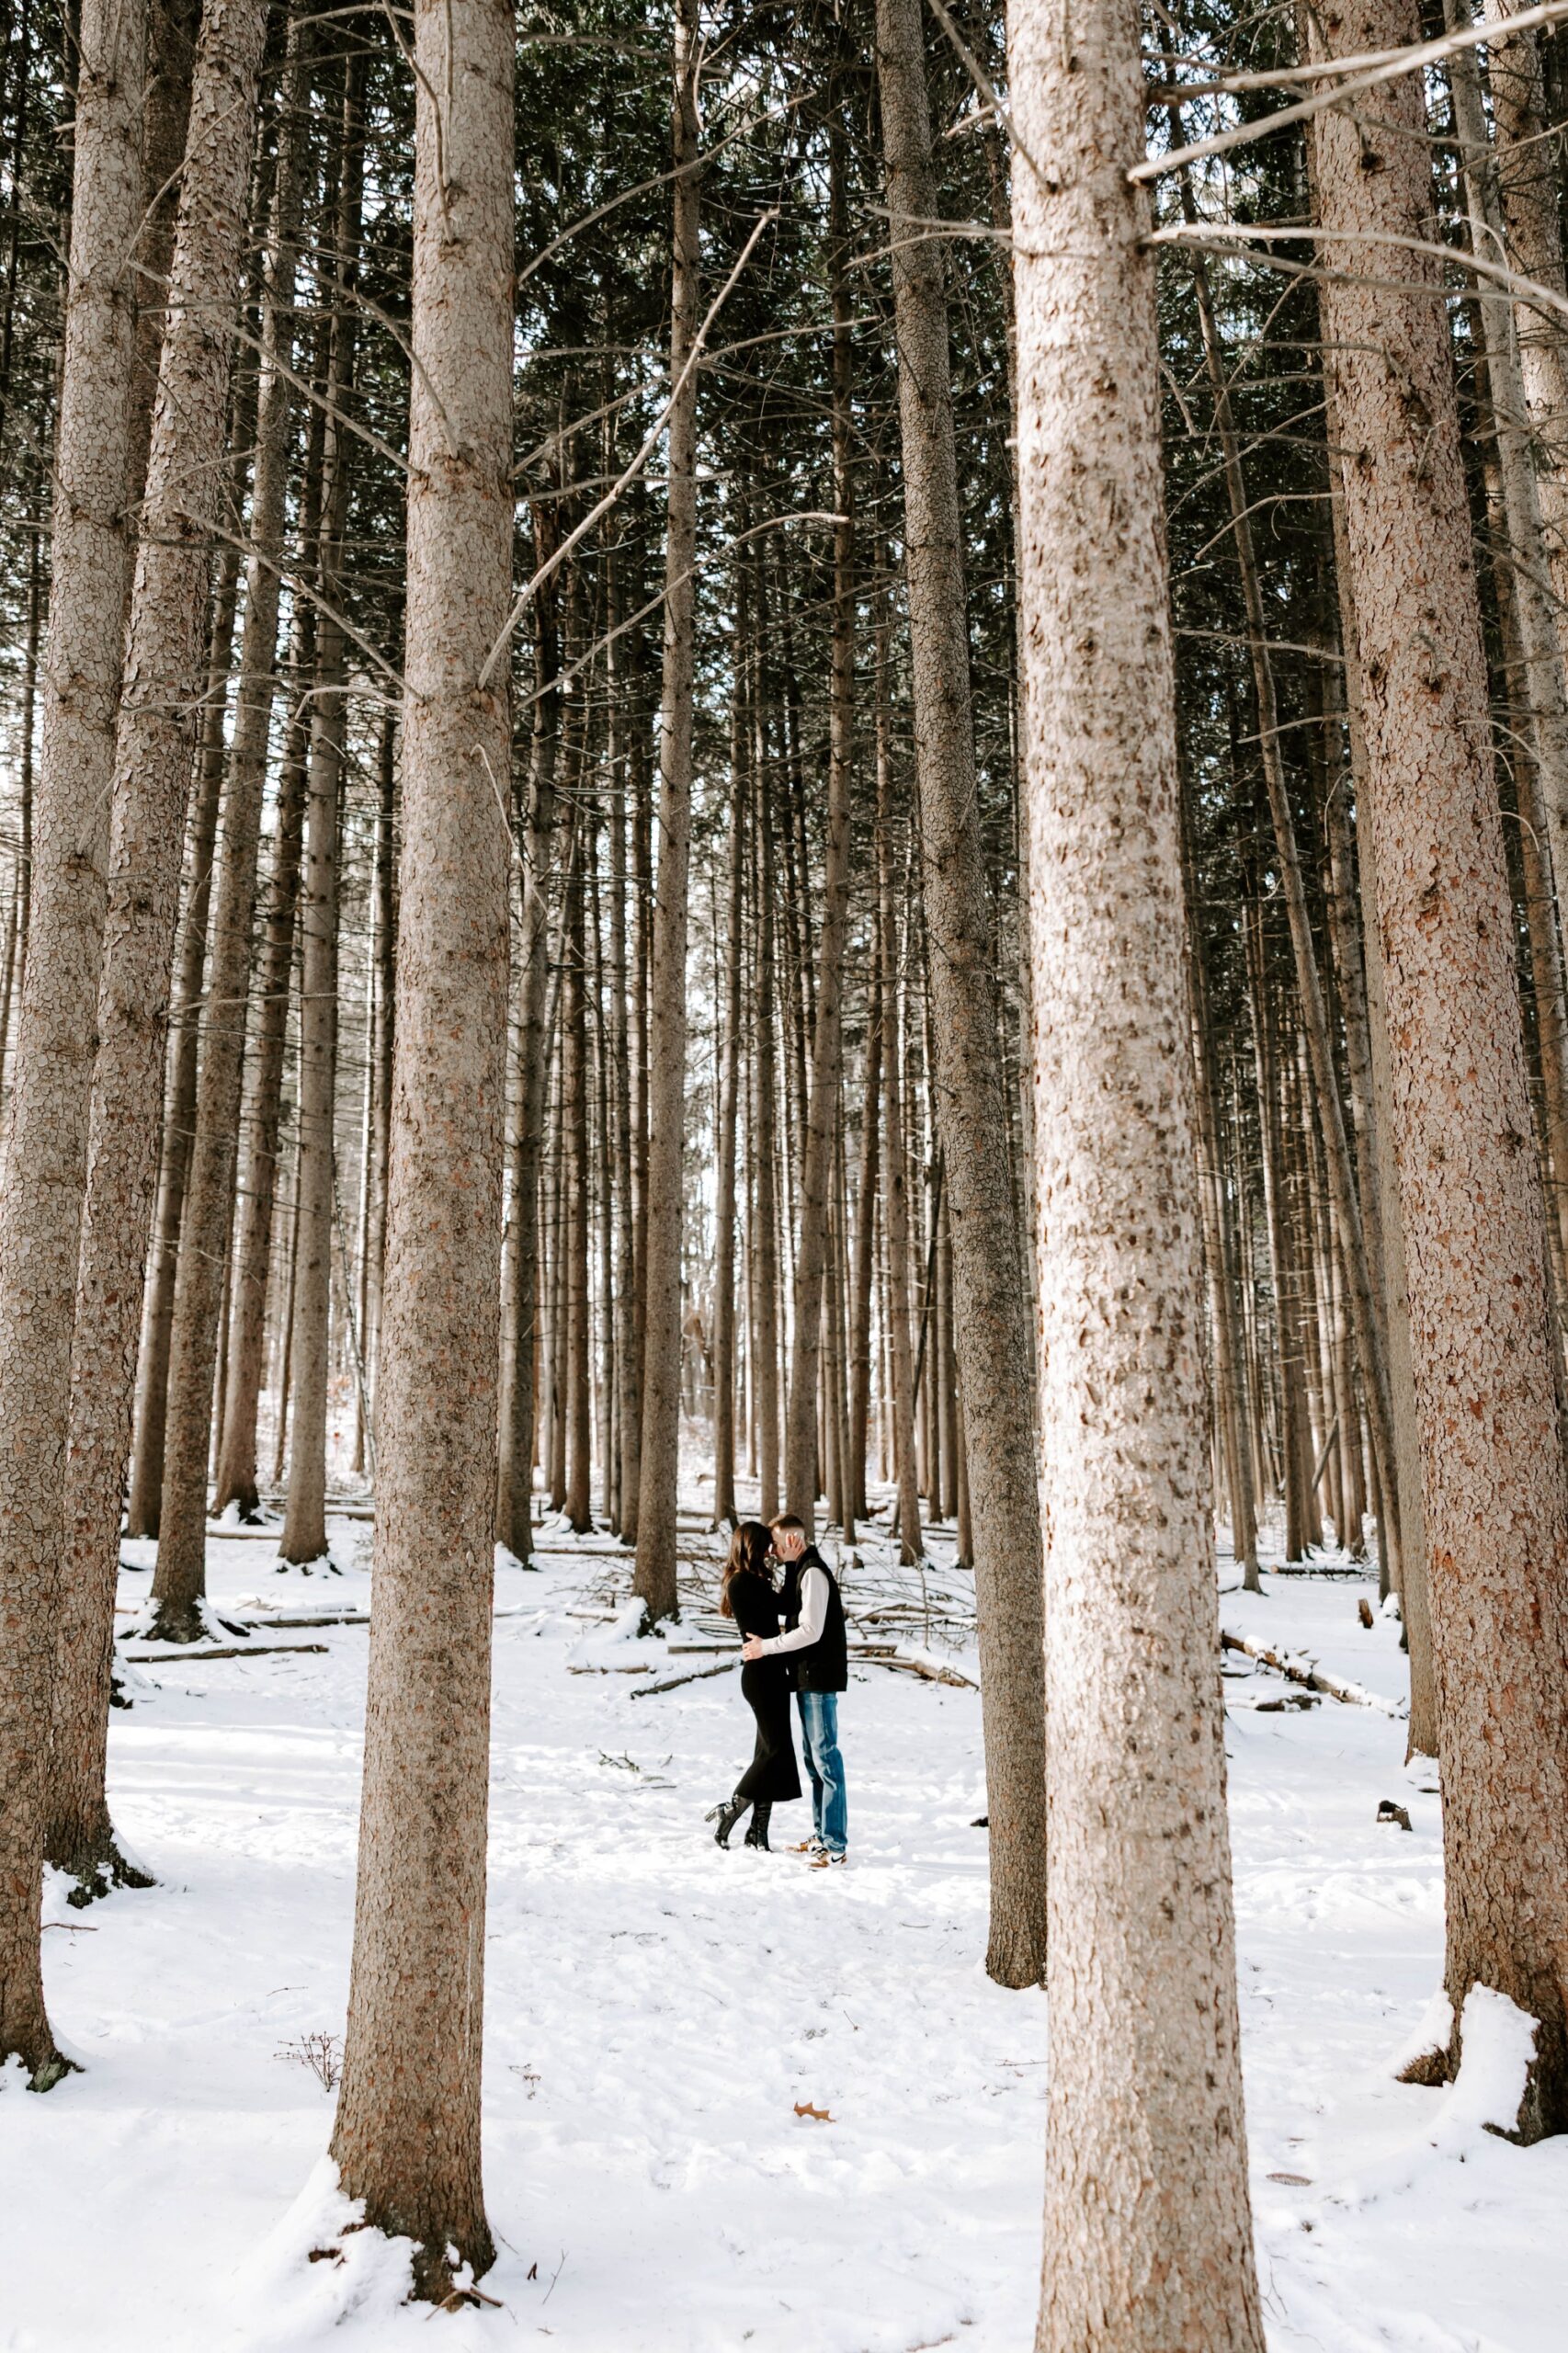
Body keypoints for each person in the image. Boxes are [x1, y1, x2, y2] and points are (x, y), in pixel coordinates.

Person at [742, 1512, 847, 1867]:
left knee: (826, 1760)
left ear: (790, 1540)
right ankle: (821, 1834)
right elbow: (789, 1604)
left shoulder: (814, 1573)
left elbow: (811, 1630)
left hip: (818, 1677)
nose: (770, 1551)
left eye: (774, 1543)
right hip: (805, 1678)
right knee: (814, 1762)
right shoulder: (802, 1571)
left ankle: (834, 1844)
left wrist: (766, 1647)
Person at [705, 1519, 801, 1850]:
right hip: (762, 1675)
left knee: (769, 1752)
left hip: (770, 1672)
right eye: (765, 1545)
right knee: (773, 1752)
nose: (769, 1551)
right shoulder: (744, 1582)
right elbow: (788, 1605)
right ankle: (731, 1810)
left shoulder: (750, 1580)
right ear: (752, 1547)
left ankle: (757, 1832)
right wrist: (790, 1565)